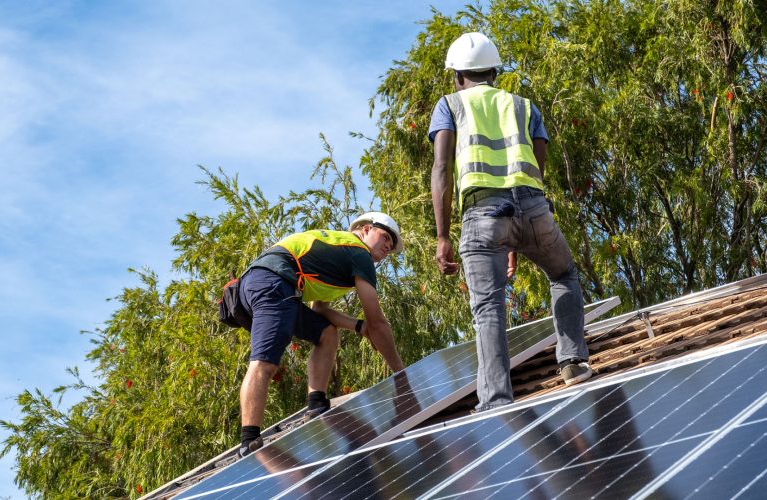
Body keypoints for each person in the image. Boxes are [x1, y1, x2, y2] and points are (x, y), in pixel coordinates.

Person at [428, 32, 592, 413]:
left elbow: (441, 168)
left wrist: (442, 236)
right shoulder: (523, 105)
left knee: (488, 306)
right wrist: (519, 234)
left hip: (484, 213)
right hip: (534, 207)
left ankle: (496, 399)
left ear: (457, 75)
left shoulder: (449, 105)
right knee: (563, 274)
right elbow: (537, 163)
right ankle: (572, 360)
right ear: (494, 72)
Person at [233, 212, 405, 458]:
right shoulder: (358, 252)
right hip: (273, 283)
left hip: (262, 283)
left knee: (326, 333)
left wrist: (358, 327)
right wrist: (401, 374)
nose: (389, 247)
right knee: (265, 362)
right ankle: (248, 440)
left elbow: (321, 311)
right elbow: (378, 322)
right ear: (366, 230)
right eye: (386, 237)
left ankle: (316, 404)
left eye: (392, 246)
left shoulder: (336, 252)